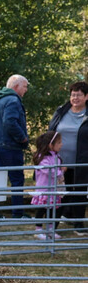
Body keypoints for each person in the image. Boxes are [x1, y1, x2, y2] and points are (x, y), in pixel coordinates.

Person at [0, 74, 30, 216]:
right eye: (25, 86)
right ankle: (18, 213)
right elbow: (10, 122)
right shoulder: (13, 101)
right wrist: (22, 138)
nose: (26, 90)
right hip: (11, 147)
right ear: (16, 87)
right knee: (16, 180)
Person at [48, 81, 88, 234]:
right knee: (60, 193)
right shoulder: (61, 111)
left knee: (80, 192)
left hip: (81, 163)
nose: (75, 98)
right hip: (60, 163)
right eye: (73, 95)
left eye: (78, 95)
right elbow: (50, 133)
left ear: (86, 97)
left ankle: (78, 225)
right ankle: (53, 225)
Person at [31, 131, 64, 241]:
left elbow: (57, 169)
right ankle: (38, 230)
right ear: (51, 145)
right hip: (44, 189)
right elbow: (48, 170)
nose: (61, 145)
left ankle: (50, 229)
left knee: (52, 210)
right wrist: (60, 173)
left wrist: (61, 171)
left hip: (54, 188)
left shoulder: (56, 156)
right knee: (41, 210)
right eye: (59, 142)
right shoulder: (42, 157)